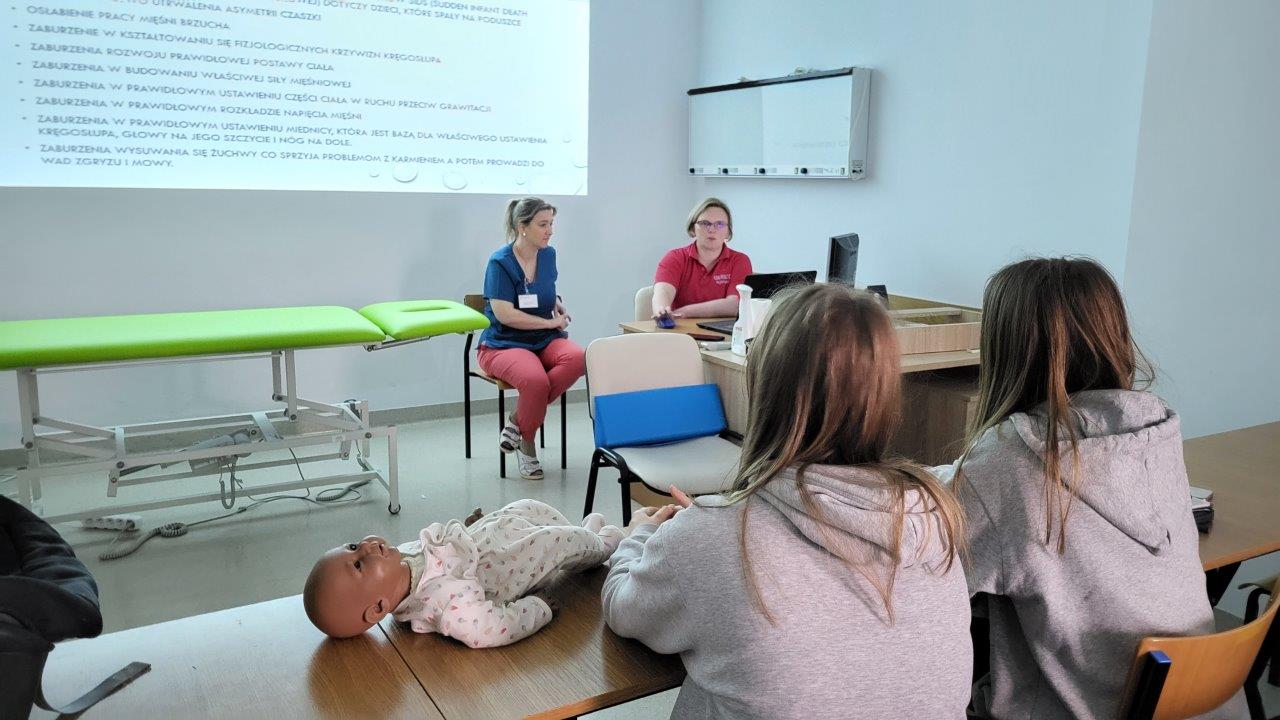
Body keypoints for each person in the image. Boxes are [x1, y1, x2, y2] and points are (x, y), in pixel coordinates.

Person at [602, 283, 972, 719]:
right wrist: (707, 531)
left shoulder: (709, 539)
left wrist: (645, 534)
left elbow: (623, 607)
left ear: (764, 387)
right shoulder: (933, 515)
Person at [953, 257, 1238, 718]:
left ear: (1007, 350)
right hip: (1198, 699)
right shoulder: (1155, 430)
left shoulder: (1012, 459)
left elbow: (929, 566)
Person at [302, 499, 625, 646]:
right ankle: (602, 544)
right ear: (377, 608)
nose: (367, 546)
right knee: (559, 543)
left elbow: (443, 550)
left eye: (353, 546)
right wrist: (537, 608)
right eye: (359, 563)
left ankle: (583, 534)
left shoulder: (399, 564)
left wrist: (468, 529)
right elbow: (490, 629)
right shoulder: (442, 602)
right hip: (515, 560)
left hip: (492, 535)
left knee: (527, 509)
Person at [477, 197, 585, 480]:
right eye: (543, 224)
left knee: (579, 358)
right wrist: (550, 322)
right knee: (535, 382)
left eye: (551, 223)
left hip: (543, 339)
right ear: (522, 227)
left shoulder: (548, 255)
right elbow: (505, 315)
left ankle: (517, 421)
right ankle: (527, 444)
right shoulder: (500, 262)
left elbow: (545, 289)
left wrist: (556, 302)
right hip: (503, 343)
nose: (550, 230)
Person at [651, 198, 753, 319]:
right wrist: (662, 310)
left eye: (720, 224)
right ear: (692, 228)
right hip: (681, 328)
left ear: (728, 231)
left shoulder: (740, 261)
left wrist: (684, 312)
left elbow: (735, 305)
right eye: (704, 223)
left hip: (722, 329)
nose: (712, 230)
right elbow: (663, 295)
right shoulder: (674, 258)